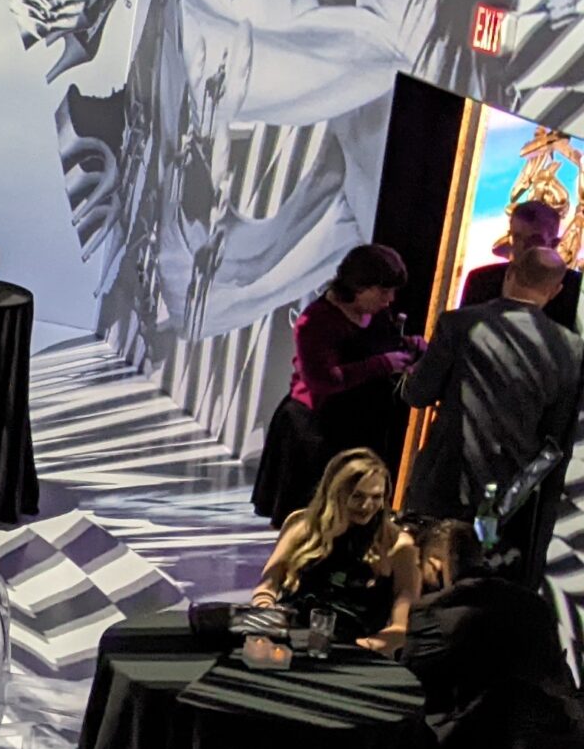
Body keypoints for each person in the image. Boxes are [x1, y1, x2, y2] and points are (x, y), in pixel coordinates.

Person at [400, 517, 584, 749]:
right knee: (499, 715)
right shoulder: (532, 605)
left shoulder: (437, 611)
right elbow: (554, 680)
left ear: (435, 565)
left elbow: (410, 682)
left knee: (417, 731)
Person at [403, 245, 584, 583]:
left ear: (510, 273)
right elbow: (556, 439)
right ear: (556, 290)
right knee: (478, 586)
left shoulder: (459, 324)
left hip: (442, 483)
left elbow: (418, 394)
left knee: (419, 576)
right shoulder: (571, 347)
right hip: (507, 496)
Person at [249, 243, 418, 524]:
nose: (390, 299)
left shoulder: (376, 313)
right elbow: (323, 380)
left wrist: (408, 346)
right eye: (383, 291)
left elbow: (374, 346)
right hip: (316, 430)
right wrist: (383, 364)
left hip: (357, 425)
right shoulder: (315, 321)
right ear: (359, 286)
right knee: (309, 519)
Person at [248, 448, 421, 652]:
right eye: (357, 496)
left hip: (352, 647)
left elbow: (402, 628)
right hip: (287, 636)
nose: (367, 505)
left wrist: (362, 648)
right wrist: (266, 616)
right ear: (335, 494)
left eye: (376, 497)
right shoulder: (301, 525)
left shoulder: (398, 545)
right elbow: (266, 588)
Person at [456, 198, 582, 328]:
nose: (522, 247)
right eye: (517, 237)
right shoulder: (482, 280)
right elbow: (462, 330)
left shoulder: (575, 289)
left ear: (554, 244)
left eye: (534, 240)